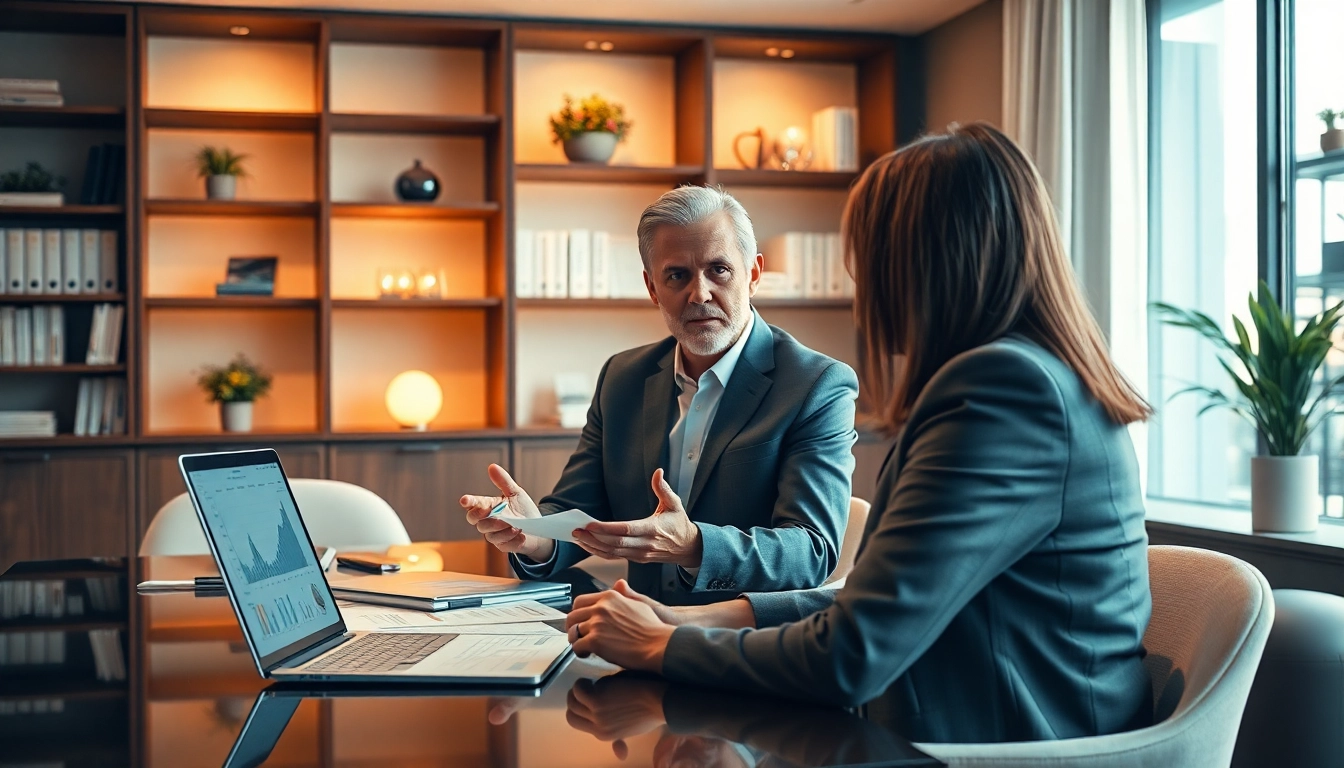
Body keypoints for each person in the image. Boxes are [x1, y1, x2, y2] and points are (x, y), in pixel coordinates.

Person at [562, 123, 1156, 744]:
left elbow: (852, 654)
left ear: (930, 261)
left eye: (870, 259)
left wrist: (662, 645)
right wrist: (695, 619)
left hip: (1008, 751)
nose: (861, 287)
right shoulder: (1025, 378)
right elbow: (865, 601)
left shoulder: (1004, 393)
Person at [460, 185, 859, 604]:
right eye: (677, 275)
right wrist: (534, 534)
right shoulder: (622, 377)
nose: (699, 294)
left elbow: (812, 551)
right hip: (635, 631)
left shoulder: (818, 385)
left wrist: (693, 546)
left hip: (741, 642)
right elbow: (580, 511)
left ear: (754, 275)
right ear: (653, 288)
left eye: (719, 270)